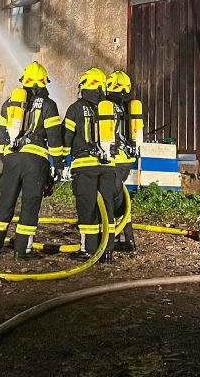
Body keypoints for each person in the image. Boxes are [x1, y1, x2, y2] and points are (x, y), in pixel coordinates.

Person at [0, 61, 62, 260]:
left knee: (5, 201)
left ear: (24, 81)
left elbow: (1, 132)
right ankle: (22, 250)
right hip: (35, 163)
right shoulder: (49, 106)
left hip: (13, 160)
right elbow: (54, 138)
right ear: (44, 83)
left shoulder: (11, 102)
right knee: (30, 204)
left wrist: (6, 155)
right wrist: (58, 165)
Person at [57, 67, 119, 262]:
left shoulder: (75, 108)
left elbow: (66, 136)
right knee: (107, 206)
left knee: (87, 207)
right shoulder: (112, 108)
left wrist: (62, 163)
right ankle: (108, 250)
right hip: (108, 166)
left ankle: (89, 249)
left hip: (84, 166)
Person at [106, 69, 143, 253]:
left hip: (112, 160)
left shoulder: (105, 106)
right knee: (120, 197)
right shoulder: (128, 107)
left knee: (109, 200)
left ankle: (109, 243)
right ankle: (127, 239)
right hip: (127, 160)